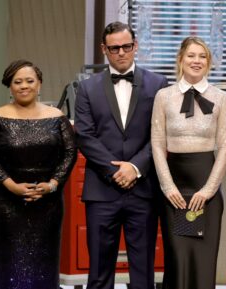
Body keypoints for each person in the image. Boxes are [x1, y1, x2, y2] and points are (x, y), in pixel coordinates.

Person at [75, 21, 168, 289]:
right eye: (114, 48)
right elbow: (84, 135)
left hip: (144, 188)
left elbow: (161, 134)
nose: (121, 53)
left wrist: (135, 167)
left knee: (143, 271)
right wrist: (115, 170)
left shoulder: (158, 83)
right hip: (102, 190)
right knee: (99, 271)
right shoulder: (87, 88)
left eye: (126, 46)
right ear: (104, 49)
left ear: (135, 46)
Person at [0, 59, 77, 289]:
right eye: (17, 82)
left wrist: (53, 184)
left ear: (39, 84)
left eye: (29, 81)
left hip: (48, 203)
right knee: (6, 261)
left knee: (44, 261)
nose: (24, 86)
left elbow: (70, 153)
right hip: (5, 202)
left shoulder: (57, 117)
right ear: (10, 87)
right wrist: (10, 185)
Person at [151, 36, 226, 289]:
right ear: (180, 59)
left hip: (207, 185)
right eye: (191, 55)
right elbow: (157, 143)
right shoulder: (163, 96)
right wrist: (168, 187)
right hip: (174, 188)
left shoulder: (221, 98)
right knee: (178, 258)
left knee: (203, 260)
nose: (197, 61)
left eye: (202, 56)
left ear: (209, 62)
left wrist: (209, 190)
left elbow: (225, 146)